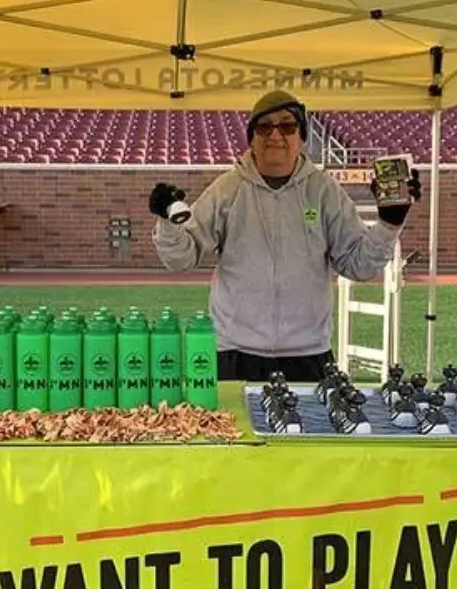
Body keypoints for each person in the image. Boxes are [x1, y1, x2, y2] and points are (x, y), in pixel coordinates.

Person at [148, 89, 420, 382]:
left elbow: (359, 265)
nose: (275, 135)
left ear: (302, 138)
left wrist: (389, 223)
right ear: (251, 138)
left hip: (308, 356)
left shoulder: (323, 190)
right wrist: (168, 224)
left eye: (287, 126)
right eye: (264, 127)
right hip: (234, 353)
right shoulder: (227, 188)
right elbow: (182, 258)